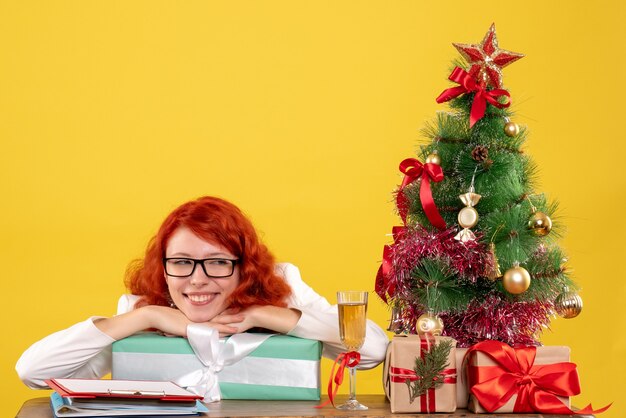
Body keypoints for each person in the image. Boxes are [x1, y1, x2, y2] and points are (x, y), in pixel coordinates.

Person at [17, 196, 389, 389]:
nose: (196, 280)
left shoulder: (280, 289)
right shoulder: (143, 311)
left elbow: (372, 349)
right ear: (163, 266)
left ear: (243, 265)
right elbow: (33, 371)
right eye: (180, 262)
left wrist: (268, 315)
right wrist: (144, 317)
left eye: (216, 262)